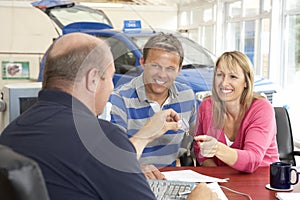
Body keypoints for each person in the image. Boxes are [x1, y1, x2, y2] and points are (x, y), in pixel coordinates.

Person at [0, 33, 217, 199]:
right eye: (110, 78)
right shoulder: (100, 138)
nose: (112, 87)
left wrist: (143, 136)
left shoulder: (10, 134)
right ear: (93, 79)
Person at [109, 33, 197, 179]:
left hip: (170, 179)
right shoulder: (119, 99)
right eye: (155, 66)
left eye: (170, 68)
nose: (162, 75)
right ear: (142, 62)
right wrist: (137, 168)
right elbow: (112, 155)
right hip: (130, 177)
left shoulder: (186, 96)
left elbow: (193, 139)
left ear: (179, 69)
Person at [194, 51, 279, 173]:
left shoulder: (261, 109)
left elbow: (252, 160)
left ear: (246, 82)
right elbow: (199, 149)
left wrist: (216, 148)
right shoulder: (207, 106)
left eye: (233, 77)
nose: (223, 83)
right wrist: (217, 176)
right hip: (223, 182)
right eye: (219, 75)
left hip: (261, 181)